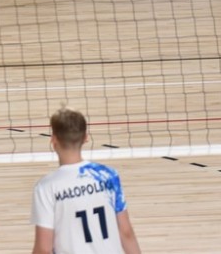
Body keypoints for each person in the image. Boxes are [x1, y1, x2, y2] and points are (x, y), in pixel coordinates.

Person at [31, 108, 142, 254]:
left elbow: (44, 249)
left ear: (54, 140)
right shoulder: (108, 175)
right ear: (85, 138)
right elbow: (126, 232)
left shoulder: (46, 187)